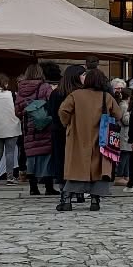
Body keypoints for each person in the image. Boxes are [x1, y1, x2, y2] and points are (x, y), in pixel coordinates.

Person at [55, 66, 121, 212]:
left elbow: (63, 110)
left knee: (75, 168)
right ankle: (95, 201)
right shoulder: (106, 97)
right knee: (97, 169)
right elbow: (118, 114)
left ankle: (67, 200)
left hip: (78, 137)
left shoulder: (75, 95)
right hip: (100, 138)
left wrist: (68, 124)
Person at [16, 63, 57, 196]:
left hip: (28, 126)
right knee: (46, 154)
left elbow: (17, 111)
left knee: (32, 155)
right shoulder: (45, 87)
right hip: (44, 124)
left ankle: (33, 187)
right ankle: (48, 186)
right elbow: (53, 103)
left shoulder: (21, 88)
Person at [48, 65, 84, 197]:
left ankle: (66, 188)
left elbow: (51, 112)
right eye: (83, 74)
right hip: (70, 131)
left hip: (60, 130)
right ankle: (74, 189)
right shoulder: (76, 94)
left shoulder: (56, 93)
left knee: (63, 159)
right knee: (72, 159)